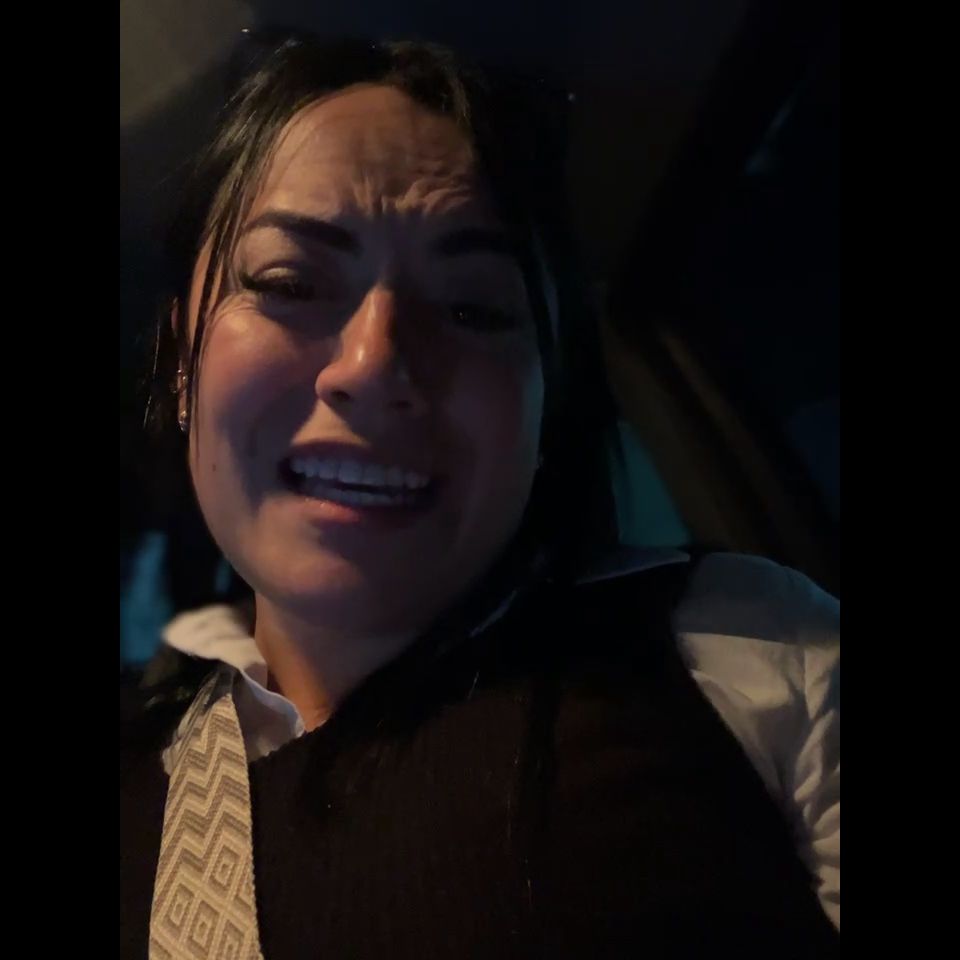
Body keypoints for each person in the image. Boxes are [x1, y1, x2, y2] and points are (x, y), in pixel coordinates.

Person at [120, 34, 840, 959]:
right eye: (289, 282)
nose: (375, 366)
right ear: (180, 363)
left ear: (548, 405)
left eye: (473, 309)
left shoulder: (750, 655)